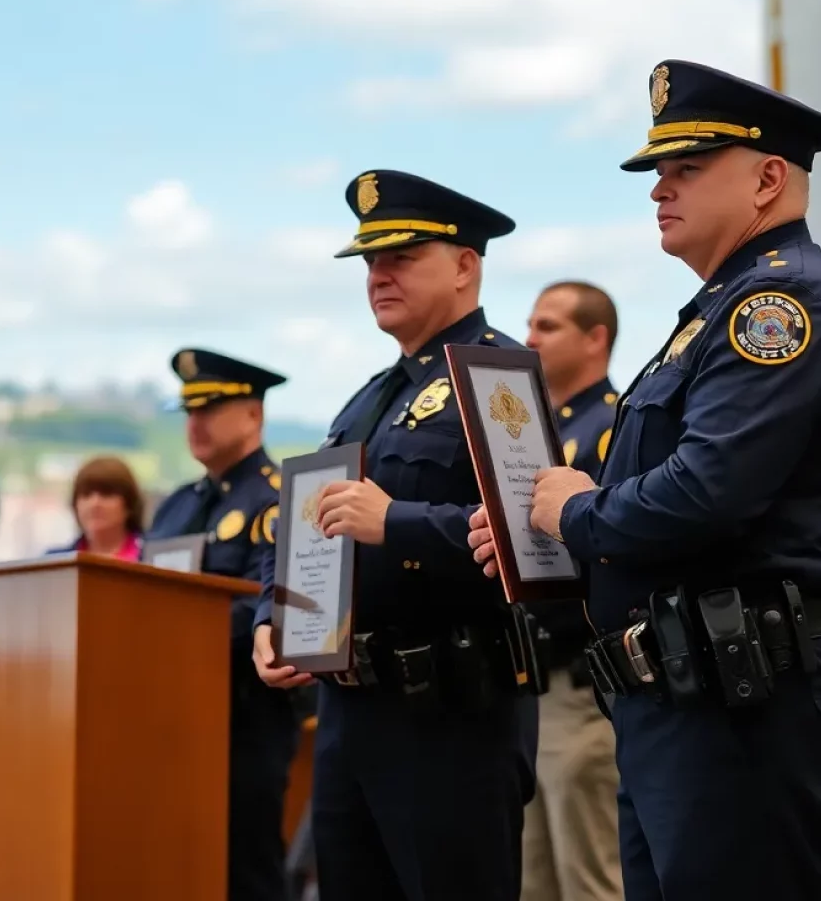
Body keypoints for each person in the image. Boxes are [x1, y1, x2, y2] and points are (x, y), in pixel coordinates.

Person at [469, 60, 821, 901]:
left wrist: (573, 511)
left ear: (770, 178)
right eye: (660, 174)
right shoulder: (708, 317)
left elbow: (705, 494)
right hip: (689, 696)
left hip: (757, 698)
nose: (661, 191)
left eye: (687, 170)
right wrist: (541, 549)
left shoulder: (781, 307)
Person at [252, 169, 539, 901]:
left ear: (466, 265)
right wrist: (274, 617)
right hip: (352, 711)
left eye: (402, 257)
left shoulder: (498, 374)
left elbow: (535, 544)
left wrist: (398, 524)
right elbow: (304, 530)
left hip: (448, 714)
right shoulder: (369, 400)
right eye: (372, 262)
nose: (379, 275)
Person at [145, 349, 297, 901]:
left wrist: (181, 622)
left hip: (244, 715)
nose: (195, 424)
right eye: (189, 412)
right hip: (169, 713)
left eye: (210, 409)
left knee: (245, 864)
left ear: (253, 416)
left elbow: (274, 598)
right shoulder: (175, 506)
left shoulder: (277, 498)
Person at [522, 281, 623, 901]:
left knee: (590, 879)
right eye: (530, 323)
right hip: (532, 681)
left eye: (548, 325)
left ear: (596, 339)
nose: (529, 338)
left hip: (581, 682)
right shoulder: (540, 430)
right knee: (533, 878)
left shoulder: (611, 426)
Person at [48, 455, 144, 560]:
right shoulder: (53, 563)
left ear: (129, 504)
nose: (95, 503)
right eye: (86, 494)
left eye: (106, 494)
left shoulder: (155, 559)